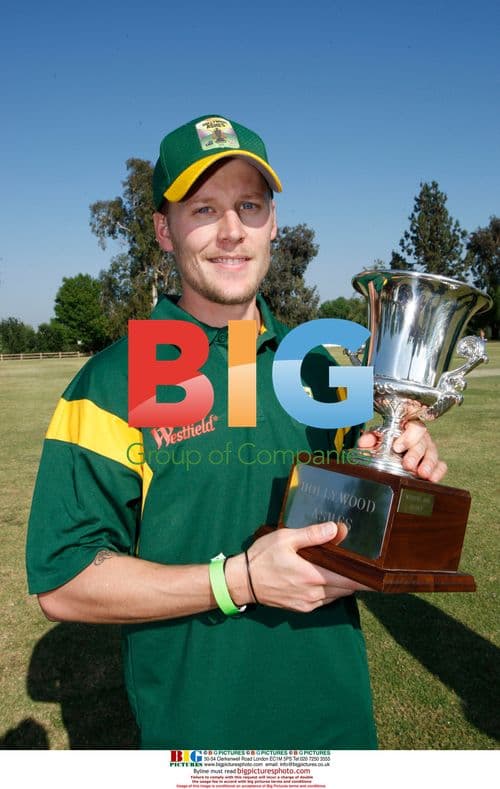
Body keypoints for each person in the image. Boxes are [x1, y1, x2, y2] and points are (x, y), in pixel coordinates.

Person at [26, 114, 447, 749]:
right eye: (204, 209)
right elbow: (63, 581)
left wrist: (407, 455)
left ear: (273, 223)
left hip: (339, 731)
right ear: (164, 231)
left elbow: (369, 503)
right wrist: (239, 581)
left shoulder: (327, 370)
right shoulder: (110, 384)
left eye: (249, 206)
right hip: (201, 738)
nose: (231, 232)